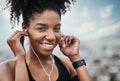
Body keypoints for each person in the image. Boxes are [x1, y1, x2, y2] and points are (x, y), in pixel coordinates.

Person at [0, 0, 92, 81]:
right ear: (25, 28)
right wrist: (20, 58)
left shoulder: (66, 64)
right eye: (41, 28)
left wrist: (75, 57)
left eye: (56, 29)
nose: (52, 37)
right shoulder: (6, 69)